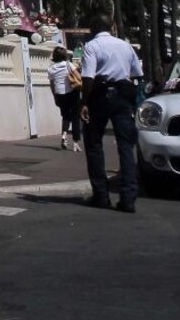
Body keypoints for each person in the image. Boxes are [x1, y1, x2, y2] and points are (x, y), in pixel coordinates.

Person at [79, 14, 144, 213]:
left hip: (100, 94)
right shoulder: (126, 46)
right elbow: (138, 74)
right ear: (112, 27)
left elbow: (88, 77)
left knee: (94, 145)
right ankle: (128, 198)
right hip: (124, 95)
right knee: (126, 147)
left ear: (93, 28)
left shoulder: (92, 46)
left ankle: (101, 195)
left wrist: (84, 102)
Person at [47, 47, 82, 152]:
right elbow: (79, 77)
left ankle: (64, 135)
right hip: (72, 93)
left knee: (65, 116)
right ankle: (75, 142)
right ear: (65, 55)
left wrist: (55, 97)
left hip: (59, 94)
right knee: (75, 117)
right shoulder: (68, 65)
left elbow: (52, 85)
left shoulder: (51, 68)